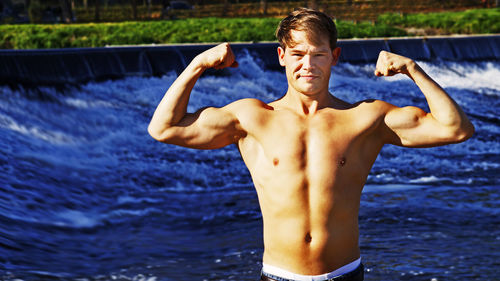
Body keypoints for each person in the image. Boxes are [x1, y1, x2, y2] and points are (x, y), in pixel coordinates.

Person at [148, 8, 474, 281]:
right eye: (298, 54)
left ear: (334, 57)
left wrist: (412, 69)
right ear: (281, 57)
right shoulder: (252, 117)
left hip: (344, 273)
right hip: (279, 275)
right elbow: (163, 128)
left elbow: (456, 129)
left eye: (318, 54)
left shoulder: (365, 118)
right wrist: (198, 65)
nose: (308, 65)